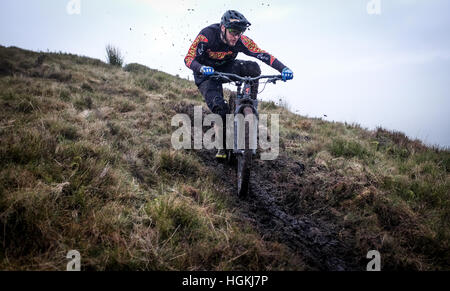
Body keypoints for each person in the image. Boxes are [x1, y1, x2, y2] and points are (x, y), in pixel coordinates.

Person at [184, 10, 293, 159]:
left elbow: (262, 54)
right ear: (223, 28)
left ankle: (249, 105)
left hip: (226, 68)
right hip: (206, 75)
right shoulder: (207, 36)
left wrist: (283, 68)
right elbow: (189, 58)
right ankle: (222, 147)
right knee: (220, 110)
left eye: (239, 33)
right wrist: (201, 68)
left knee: (253, 68)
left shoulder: (241, 40)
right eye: (233, 32)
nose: (236, 37)